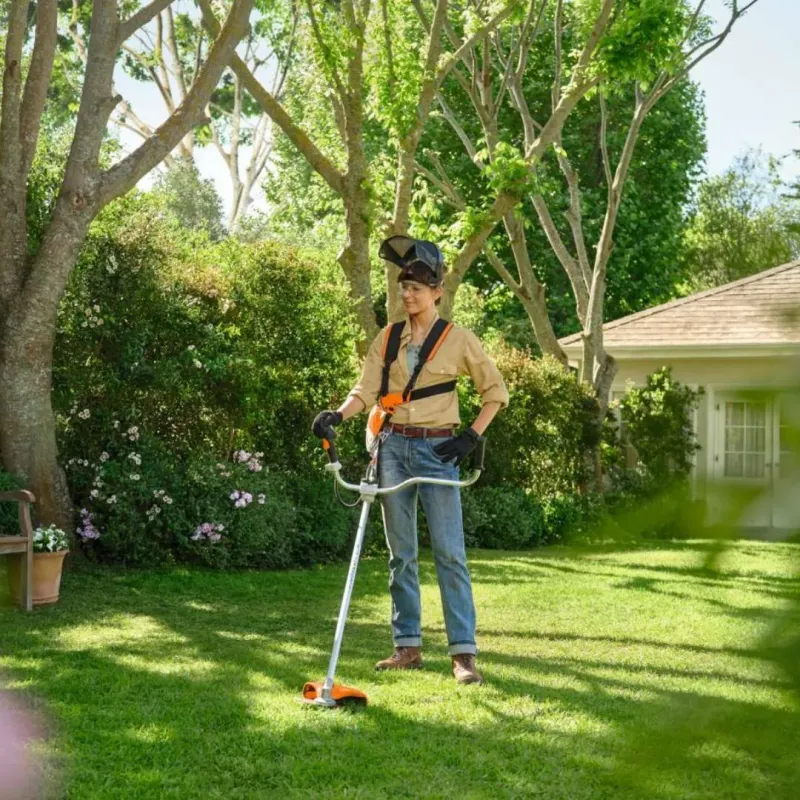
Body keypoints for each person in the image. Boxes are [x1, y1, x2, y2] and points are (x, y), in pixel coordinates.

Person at [312, 236, 508, 685]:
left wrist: (469, 438)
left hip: (438, 451)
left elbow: (496, 393)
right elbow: (366, 391)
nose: (408, 294)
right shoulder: (389, 337)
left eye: (417, 287)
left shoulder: (459, 340)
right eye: (404, 286)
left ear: (437, 291)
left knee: (450, 554)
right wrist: (337, 416)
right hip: (393, 449)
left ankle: (463, 654)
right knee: (401, 555)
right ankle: (407, 647)